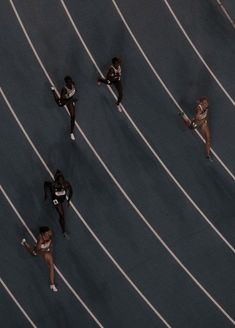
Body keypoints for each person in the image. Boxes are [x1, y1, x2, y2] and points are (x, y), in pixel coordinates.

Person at [21, 226, 58, 292]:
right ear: (44, 233)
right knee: (33, 254)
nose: (50, 232)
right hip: (41, 251)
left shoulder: (50, 235)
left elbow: (50, 242)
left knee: (51, 266)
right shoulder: (41, 240)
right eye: (48, 231)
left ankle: (52, 284)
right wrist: (45, 250)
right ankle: (24, 243)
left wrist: (49, 247)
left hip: (46, 250)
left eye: (49, 231)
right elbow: (37, 250)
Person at [44, 170, 73, 238]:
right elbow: (45, 184)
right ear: (56, 181)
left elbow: (71, 191)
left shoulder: (66, 184)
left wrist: (68, 200)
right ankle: (64, 231)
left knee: (62, 214)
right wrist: (45, 194)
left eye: (62, 181)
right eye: (60, 182)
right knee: (62, 215)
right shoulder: (53, 185)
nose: (61, 183)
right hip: (56, 200)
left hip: (62, 199)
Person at [51, 76, 78, 140]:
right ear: (66, 83)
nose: (70, 82)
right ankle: (53, 90)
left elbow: (74, 91)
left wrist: (72, 99)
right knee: (59, 104)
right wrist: (71, 100)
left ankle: (71, 133)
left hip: (70, 100)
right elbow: (62, 99)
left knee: (73, 116)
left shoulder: (73, 84)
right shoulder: (64, 89)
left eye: (71, 81)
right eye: (69, 82)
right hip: (65, 100)